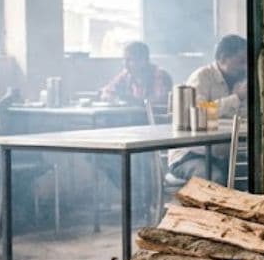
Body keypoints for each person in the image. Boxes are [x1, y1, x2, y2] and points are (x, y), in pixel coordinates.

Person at [168, 34, 248, 181]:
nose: (245, 67)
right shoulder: (202, 77)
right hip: (192, 154)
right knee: (214, 179)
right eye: (241, 61)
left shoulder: (241, 80)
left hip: (225, 154)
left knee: (256, 177)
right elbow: (199, 112)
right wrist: (236, 98)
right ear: (223, 58)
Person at [100, 41, 174, 107]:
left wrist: (129, 101)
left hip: (156, 119)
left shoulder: (159, 76)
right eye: (124, 60)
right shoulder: (126, 75)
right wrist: (109, 96)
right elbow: (108, 90)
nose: (125, 64)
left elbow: (157, 101)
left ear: (143, 60)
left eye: (129, 60)